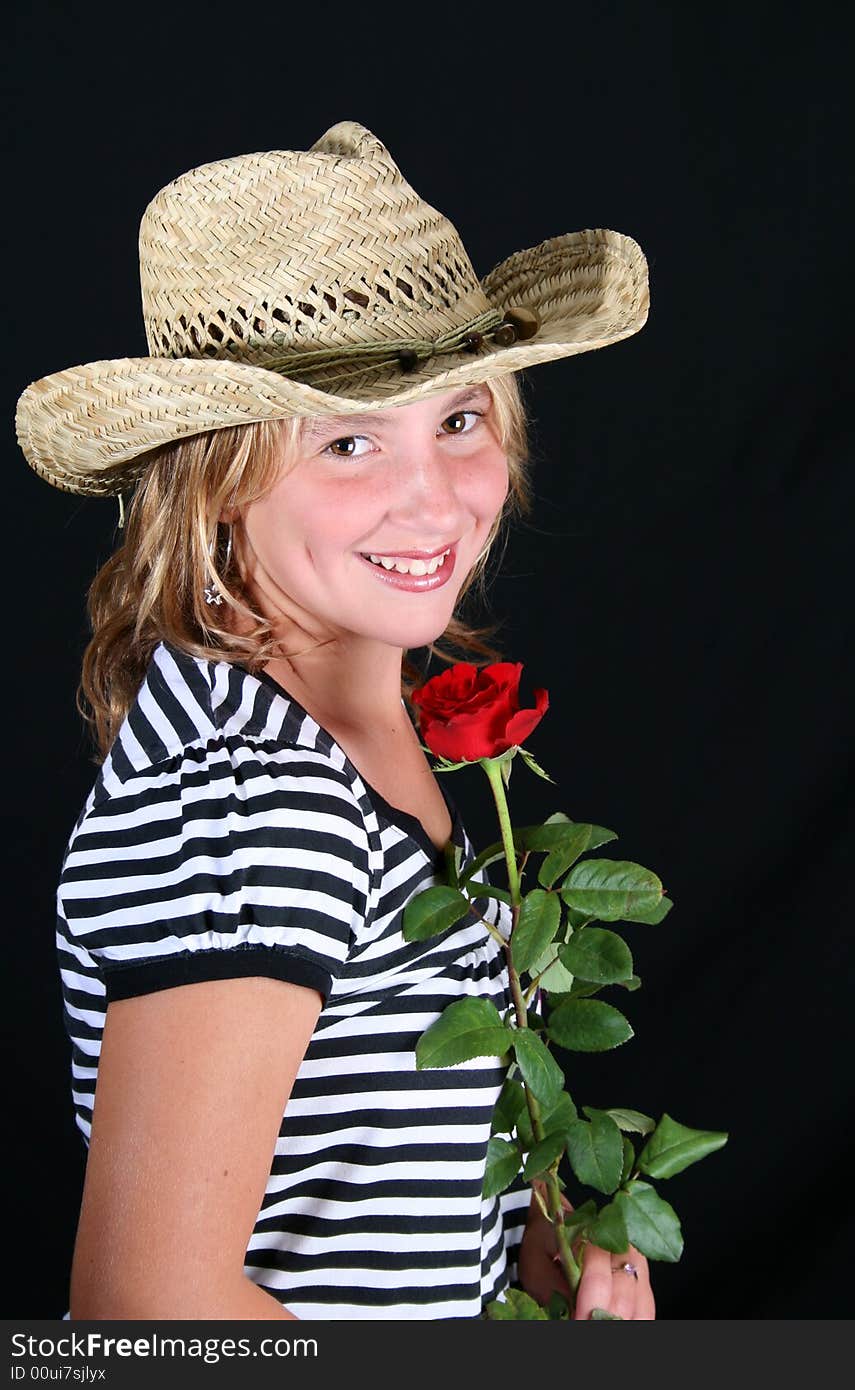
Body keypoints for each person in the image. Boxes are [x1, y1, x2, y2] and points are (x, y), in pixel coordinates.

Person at [16, 120, 655, 1320]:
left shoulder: (348, 730)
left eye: (458, 419)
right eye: (350, 440)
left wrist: (538, 1247)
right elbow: (151, 1327)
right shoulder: (252, 796)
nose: (431, 497)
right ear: (212, 482)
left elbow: (371, 1143)